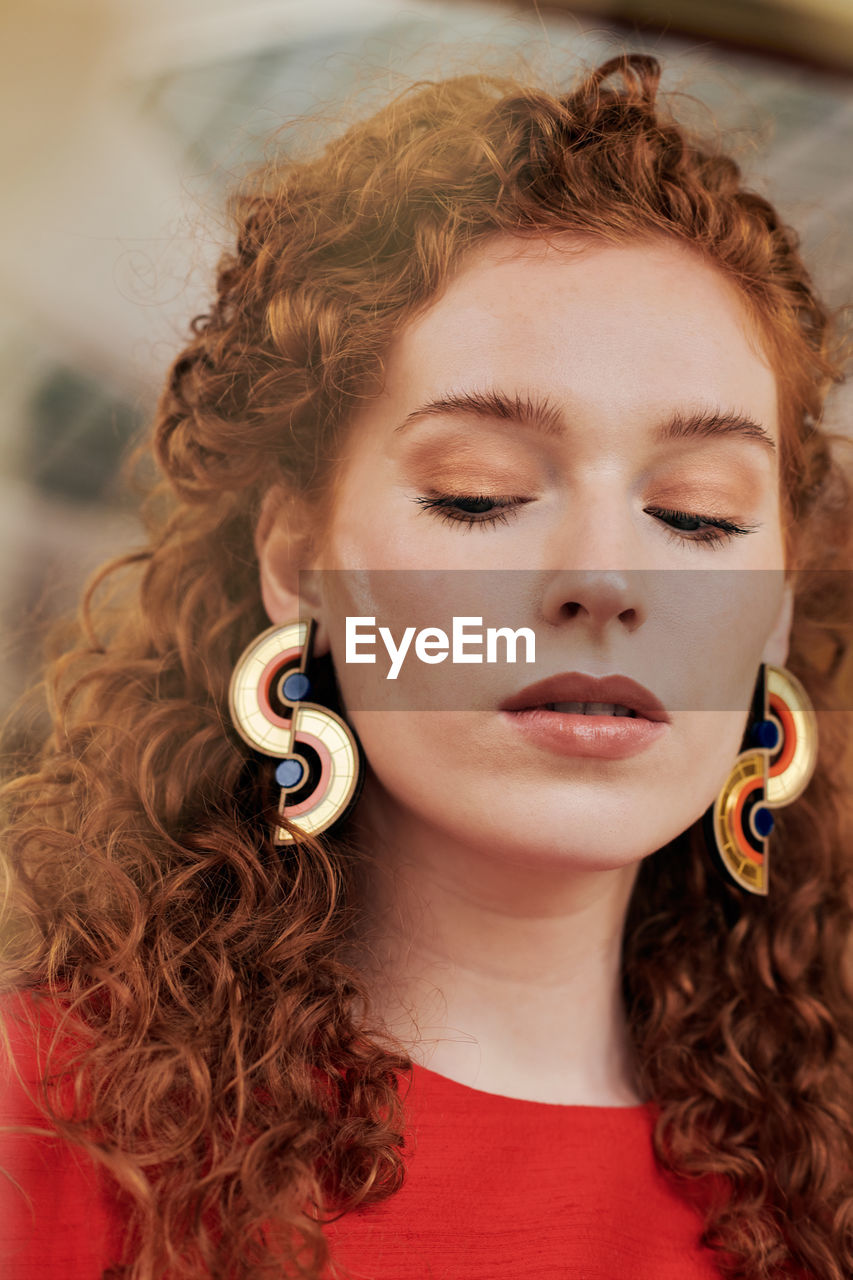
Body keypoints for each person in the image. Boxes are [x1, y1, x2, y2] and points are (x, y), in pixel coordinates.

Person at [1, 49, 852, 1280]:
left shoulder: (821, 1182)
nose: (603, 579)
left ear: (772, 611)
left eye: (700, 514)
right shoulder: (43, 1127)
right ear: (299, 561)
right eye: (478, 494)